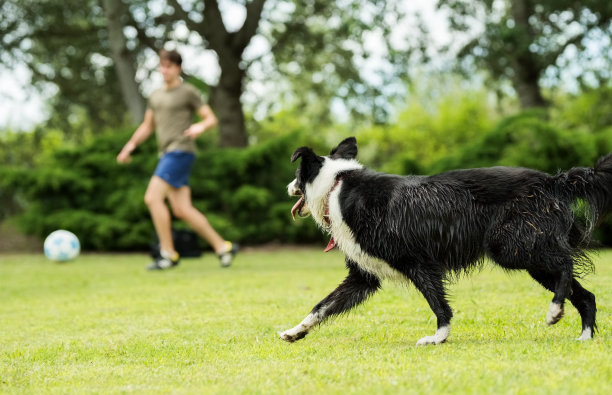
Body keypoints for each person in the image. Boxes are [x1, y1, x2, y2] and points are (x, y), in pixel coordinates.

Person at [117, 48, 238, 270]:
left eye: (169, 66)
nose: (164, 70)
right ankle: (223, 247)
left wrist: (199, 127)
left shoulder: (188, 92)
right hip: (165, 153)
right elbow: (147, 126)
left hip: (181, 151)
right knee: (182, 209)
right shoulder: (155, 96)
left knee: (152, 198)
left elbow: (211, 118)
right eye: (161, 66)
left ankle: (168, 254)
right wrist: (130, 146)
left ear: (178, 68)